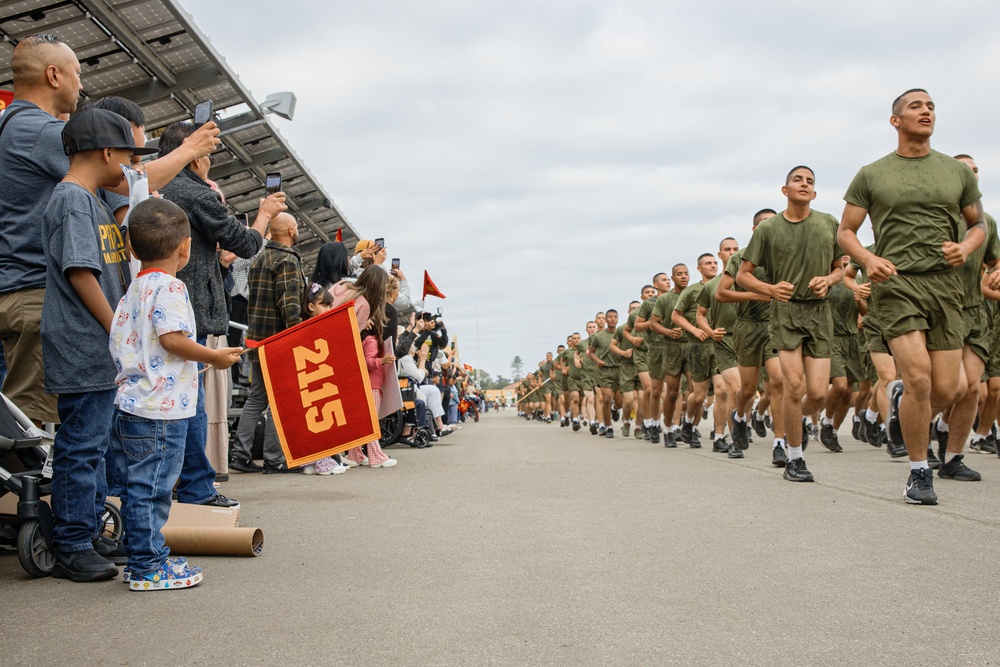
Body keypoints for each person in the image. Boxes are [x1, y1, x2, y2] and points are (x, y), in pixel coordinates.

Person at [0, 35, 218, 426]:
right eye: (76, 73)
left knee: (44, 432)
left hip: (25, 291)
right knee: (36, 432)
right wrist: (189, 149)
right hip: (37, 294)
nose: (81, 85)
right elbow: (129, 182)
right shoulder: (39, 132)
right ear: (54, 75)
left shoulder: (15, 127)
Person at [838, 89, 992, 505]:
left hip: (946, 287)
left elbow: (978, 224)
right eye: (916, 106)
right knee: (920, 377)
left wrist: (967, 246)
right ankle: (919, 471)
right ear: (895, 121)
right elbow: (845, 232)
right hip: (897, 283)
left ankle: (903, 401)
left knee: (949, 388)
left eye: (931, 107)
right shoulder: (872, 174)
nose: (926, 111)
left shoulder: (954, 172)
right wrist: (868, 259)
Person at [41, 108, 158, 582]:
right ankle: (71, 539)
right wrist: (118, 333)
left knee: (93, 440)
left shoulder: (92, 199)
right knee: (82, 443)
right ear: (108, 152)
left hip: (97, 343)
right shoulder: (71, 199)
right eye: (130, 157)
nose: (133, 167)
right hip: (83, 341)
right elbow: (81, 272)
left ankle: (87, 531)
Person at [107, 198, 242, 591]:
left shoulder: (133, 289)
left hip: (132, 401)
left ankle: (139, 556)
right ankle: (149, 565)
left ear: (131, 247)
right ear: (185, 247)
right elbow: (173, 340)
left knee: (137, 486)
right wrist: (213, 357)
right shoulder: (171, 286)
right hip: (160, 409)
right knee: (154, 489)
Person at [158, 121, 286, 504]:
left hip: (157, 305)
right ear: (193, 153)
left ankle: (177, 482)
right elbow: (246, 243)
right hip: (190, 307)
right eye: (208, 152)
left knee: (168, 399)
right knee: (189, 399)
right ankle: (197, 486)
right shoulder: (196, 192)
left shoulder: (156, 187)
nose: (210, 160)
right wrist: (264, 213)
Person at [738, 166, 843, 483]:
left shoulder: (828, 223)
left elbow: (840, 269)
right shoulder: (769, 229)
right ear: (785, 190)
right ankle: (794, 458)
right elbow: (744, 275)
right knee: (793, 387)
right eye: (798, 180)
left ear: (815, 193)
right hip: (785, 313)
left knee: (818, 394)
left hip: (819, 313)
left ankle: (795, 421)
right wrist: (769, 290)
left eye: (810, 181)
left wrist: (828, 280)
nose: (804, 184)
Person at [230, 213, 307, 474]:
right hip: (279, 342)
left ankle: (240, 454)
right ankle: (274, 458)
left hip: (257, 341)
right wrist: (297, 338)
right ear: (289, 230)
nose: (297, 231)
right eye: (295, 227)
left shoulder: (259, 258)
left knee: (257, 398)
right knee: (279, 400)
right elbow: (290, 304)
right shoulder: (287, 259)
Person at [696, 238, 741, 455]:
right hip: (723, 341)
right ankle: (725, 436)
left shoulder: (750, 279)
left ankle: (740, 428)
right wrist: (710, 331)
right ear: (720, 254)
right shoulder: (712, 286)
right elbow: (700, 315)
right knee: (728, 390)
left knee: (745, 393)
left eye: (735, 249)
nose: (731, 253)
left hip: (750, 341)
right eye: (727, 250)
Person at [672, 254, 720, 448]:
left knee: (722, 391)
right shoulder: (691, 291)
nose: (713, 266)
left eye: (715, 263)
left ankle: (719, 436)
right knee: (699, 395)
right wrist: (693, 329)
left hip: (721, 345)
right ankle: (689, 423)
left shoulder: (724, 285)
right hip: (698, 346)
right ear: (699, 268)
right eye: (708, 263)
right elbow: (676, 316)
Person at [650, 265, 689, 447]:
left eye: (686, 273)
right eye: (679, 274)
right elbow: (653, 324)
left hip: (693, 346)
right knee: (673, 392)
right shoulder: (665, 299)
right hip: (672, 348)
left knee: (696, 391)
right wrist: (668, 332)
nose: (684, 277)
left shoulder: (695, 294)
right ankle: (667, 429)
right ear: (673, 278)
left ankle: (688, 426)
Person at [631, 274, 671, 442]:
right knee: (650, 390)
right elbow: (632, 328)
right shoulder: (645, 307)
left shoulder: (675, 299)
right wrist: (653, 322)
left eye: (669, 279)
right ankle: (649, 423)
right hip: (648, 352)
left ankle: (671, 426)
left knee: (669, 392)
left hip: (671, 349)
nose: (668, 282)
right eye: (646, 291)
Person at [588, 310, 620, 438]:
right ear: (606, 320)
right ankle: (608, 426)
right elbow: (590, 352)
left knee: (620, 402)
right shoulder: (599, 336)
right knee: (606, 398)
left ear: (617, 319)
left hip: (619, 369)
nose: (612, 319)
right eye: (610, 317)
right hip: (604, 370)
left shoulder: (621, 333)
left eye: (615, 317)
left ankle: (614, 408)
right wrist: (597, 360)